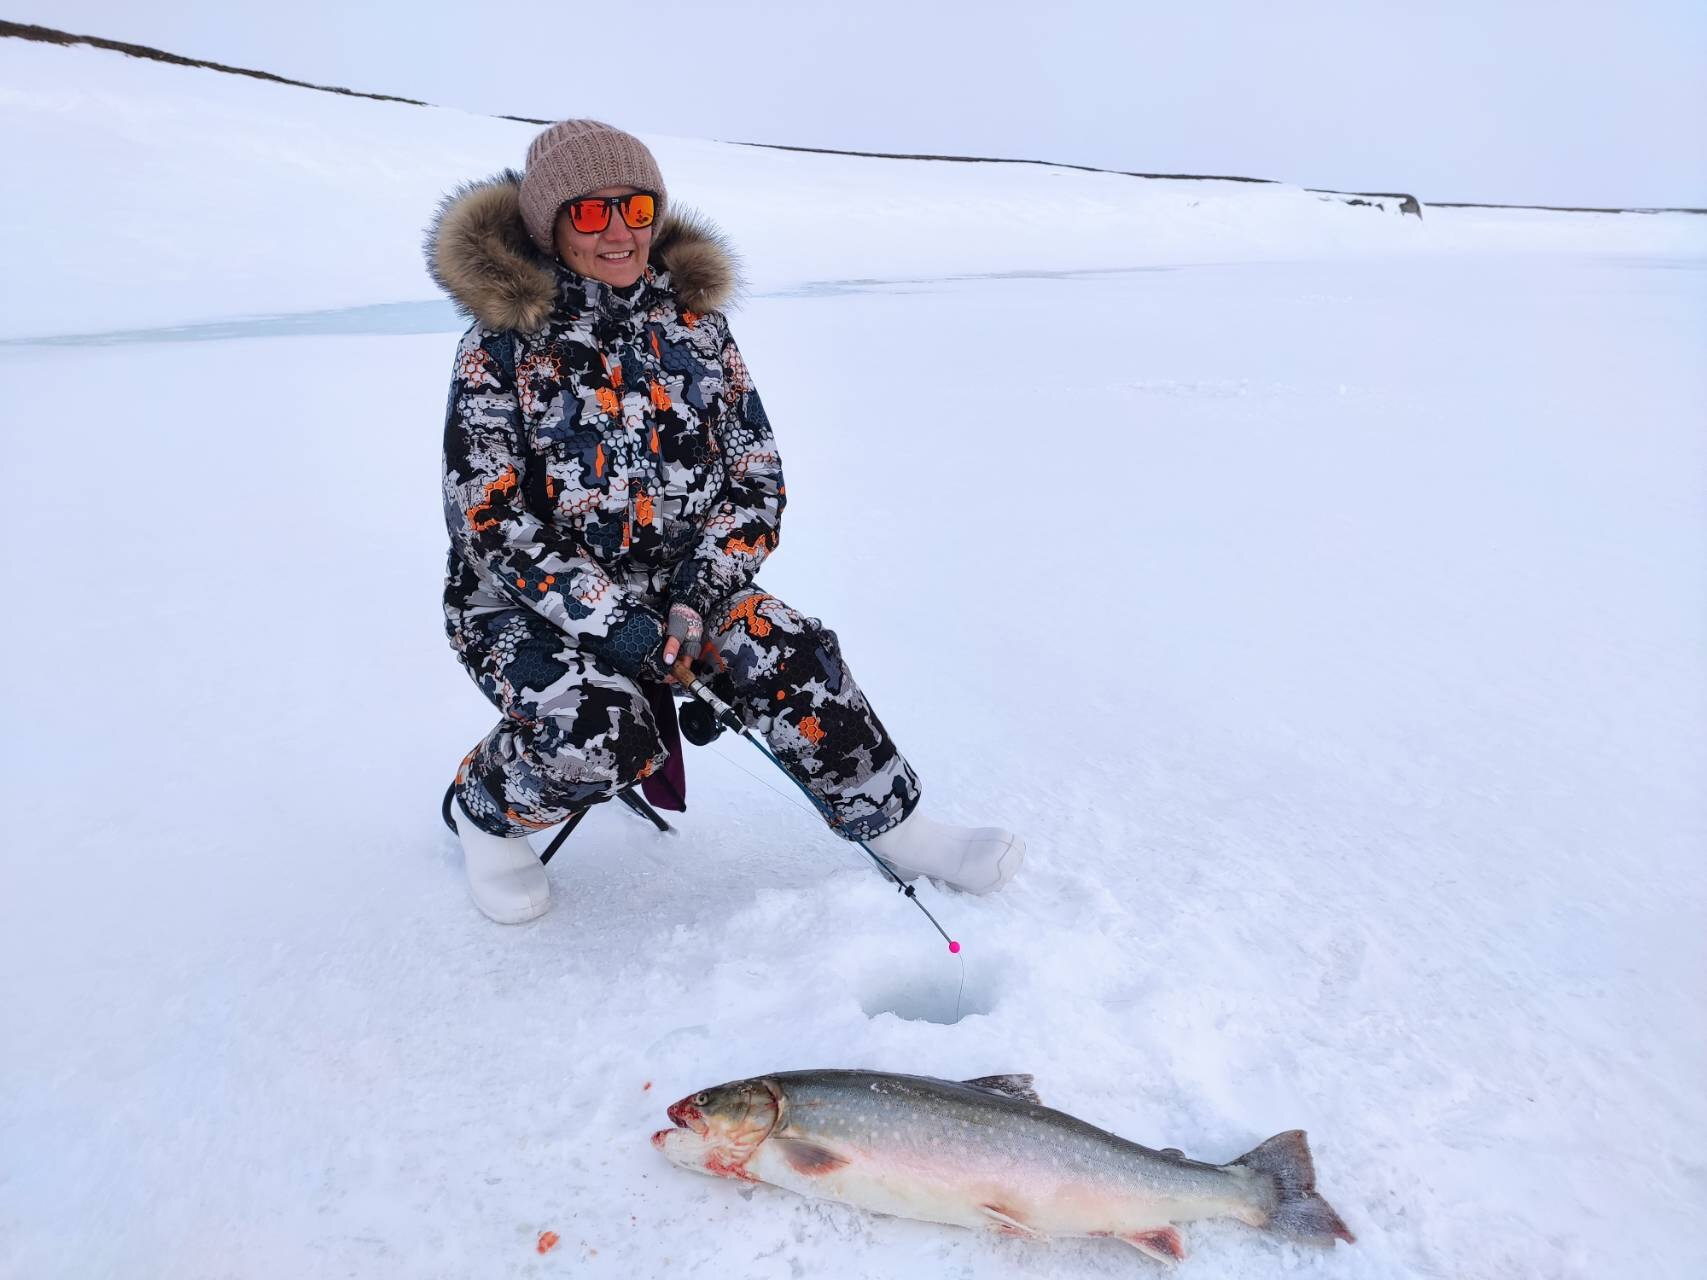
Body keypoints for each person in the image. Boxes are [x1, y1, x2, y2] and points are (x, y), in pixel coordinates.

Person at [424, 120, 1023, 923]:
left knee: (792, 654)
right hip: (519, 607)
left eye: (635, 208)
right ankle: (485, 815)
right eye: (591, 213)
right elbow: (491, 526)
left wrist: (693, 599)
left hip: (679, 590)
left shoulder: (696, 326)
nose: (620, 232)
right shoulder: (498, 350)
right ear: (549, 224)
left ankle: (900, 827)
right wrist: (616, 626)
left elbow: (755, 480)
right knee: (603, 727)